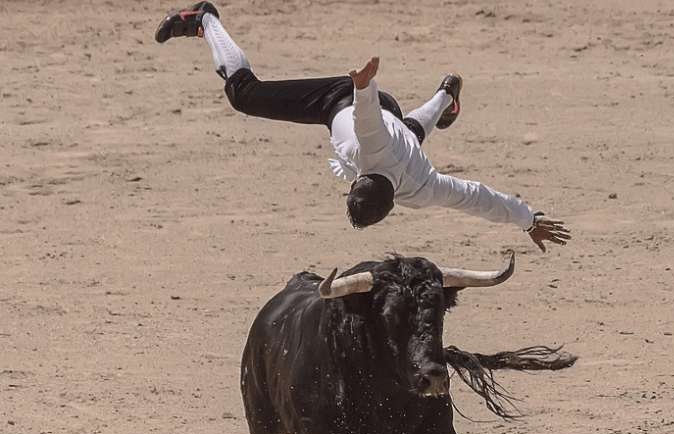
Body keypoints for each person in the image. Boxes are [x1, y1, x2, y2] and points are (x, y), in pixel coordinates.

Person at [155, 2, 571, 251]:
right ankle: (205, 19)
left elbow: (478, 197)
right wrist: (363, 85)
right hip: (341, 98)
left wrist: (527, 219)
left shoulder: (422, 188)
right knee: (244, 95)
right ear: (359, 183)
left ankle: (447, 95)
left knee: (408, 137)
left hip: (392, 123)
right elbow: (367, 118)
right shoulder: (388, 165)